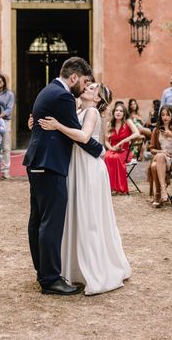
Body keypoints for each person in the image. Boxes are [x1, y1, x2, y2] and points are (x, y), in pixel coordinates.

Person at [38, 83, 131, 295]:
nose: (87, 88)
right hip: (76, 165)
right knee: (77, 214)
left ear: (97, 99)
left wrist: (58, 126)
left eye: (92, 89)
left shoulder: (91, 112)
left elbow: (84, 137)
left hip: (88, 168)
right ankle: (75, 268)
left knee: (89, 216)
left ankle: (95, 268)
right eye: (88, 86)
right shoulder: (79, 110)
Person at [24, 57, 103, 296]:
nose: (85, 86)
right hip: (50, 164)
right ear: (74, 77)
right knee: (50, 222)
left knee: (38, 219)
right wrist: (100, 151)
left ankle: (43, 271)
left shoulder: (49, 90)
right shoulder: (63, 96)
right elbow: (77, 133)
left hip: (38, 162)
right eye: (85, 81)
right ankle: (50, 280)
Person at [146, 104, 172, 207]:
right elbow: (151, 149)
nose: (165, 117)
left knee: (153, 166)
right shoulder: (156, 130)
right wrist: (161, 152)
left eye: (167, 115)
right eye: (162, 115)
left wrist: (171, 135)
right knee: (160, 156)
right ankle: (163, 189)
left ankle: (157, 195)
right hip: (160, 157)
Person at [104, 103, 141, 194]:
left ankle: (119, 187)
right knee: (107, 157)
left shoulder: (127, 121)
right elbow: (106, 141)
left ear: (124, 113)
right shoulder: (109, 124)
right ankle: (110, 187)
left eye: (121, 111)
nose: (118, 112)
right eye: (116, 110)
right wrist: (111, 149)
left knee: (116, 158)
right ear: (113, 112)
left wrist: (124, 141)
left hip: (125, 151)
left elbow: (137, 133)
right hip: (113, 149)